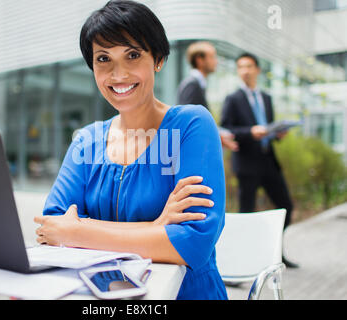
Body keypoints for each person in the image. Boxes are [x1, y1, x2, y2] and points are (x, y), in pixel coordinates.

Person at [34, 0, 228, 300]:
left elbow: (193, 243)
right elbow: (52, 229)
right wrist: (154, 229)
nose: (118, 74)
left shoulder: (192, 125)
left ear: (158, 59)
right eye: (103, 59)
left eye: (133, 55)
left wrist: (77, 232)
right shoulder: (86, 140)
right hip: (100, 299)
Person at [220, 52, 298, 268]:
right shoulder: (233, 99)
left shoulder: (266, 98)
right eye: (241, 67)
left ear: (257, 70)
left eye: (249, 66)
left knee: (286, 206)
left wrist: (276, 133)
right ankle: (242, 263)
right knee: (246, 214)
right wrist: (250, 132)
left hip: (268, 161)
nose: (245, 70)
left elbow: (268, 126)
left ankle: (275, 253)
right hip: (246, 163)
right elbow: (226, 130)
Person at [177, 41, 238, 151]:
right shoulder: (192, 85)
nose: (216, 61)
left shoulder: (197, 84)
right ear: (200, 60)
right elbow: (188, 124)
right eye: (212, 57)